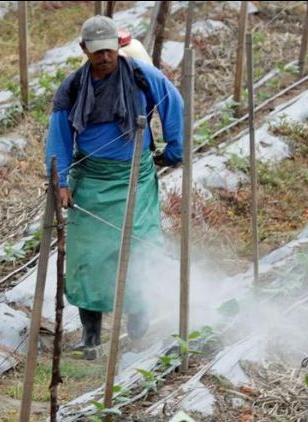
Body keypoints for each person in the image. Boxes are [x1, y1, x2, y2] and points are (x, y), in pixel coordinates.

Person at [45, 15, 184, 359]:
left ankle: (139, 320)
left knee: (137, 249)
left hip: (133, 177)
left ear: (117, 47)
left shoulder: (140, 75)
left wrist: (174, 149)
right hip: (90, 180)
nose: (104, 57)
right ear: (84, 51)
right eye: (96, 52)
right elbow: (59, 138)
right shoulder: (73, 87)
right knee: (88, 258)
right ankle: (91, 336)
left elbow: (172, 103)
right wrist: (61, 182)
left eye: (108, 50)